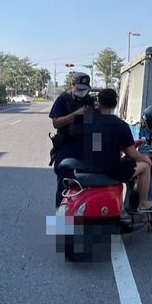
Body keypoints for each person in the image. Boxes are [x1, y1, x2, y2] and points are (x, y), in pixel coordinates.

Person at [81, 88, 152, 212]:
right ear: (116, 103)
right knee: (145, 166)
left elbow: (96, 146)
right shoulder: (120, 125)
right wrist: (145, 158)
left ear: (99, 102)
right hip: (112, 170)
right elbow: (131, 152)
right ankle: (144, 203)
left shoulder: (90, 122)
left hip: (91, 167)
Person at [48, 72, 95, 207]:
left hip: (85, 150)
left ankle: (81, 222)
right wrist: (75, 114)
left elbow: (97, 128)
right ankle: (60, 224)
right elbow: (56, 123)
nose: (82, 92)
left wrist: (98, 150)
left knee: (86, 188)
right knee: (64, 187)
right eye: (79, 89)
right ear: (72, 85)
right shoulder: (63, 99)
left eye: (85, 89)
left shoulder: (90, 101)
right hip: (66, 149)